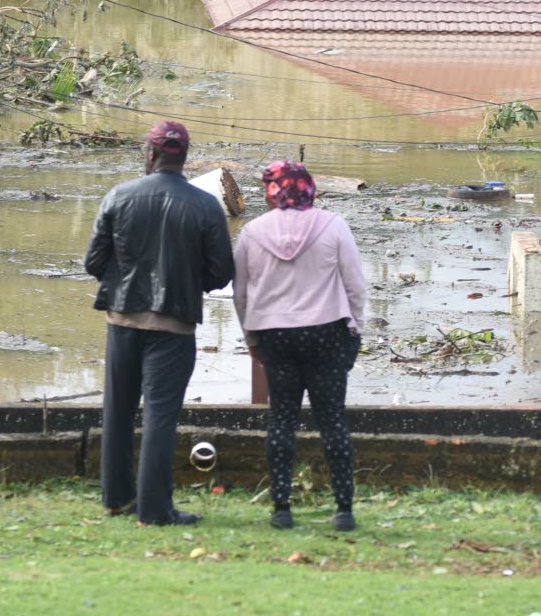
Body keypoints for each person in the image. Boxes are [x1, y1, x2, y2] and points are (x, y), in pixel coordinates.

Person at [84, 120, 233, 527]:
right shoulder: (205, 205)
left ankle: (116, 500)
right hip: (174, 326)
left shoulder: (120, 195)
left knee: (116, 411)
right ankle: (154, 510)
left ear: (149, 154)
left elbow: (93, 261)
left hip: (123, 320)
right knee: (160, 417)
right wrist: (187, 279)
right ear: (183, 157)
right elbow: (221, 273)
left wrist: (124, 278)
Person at [233, 161, 366, 532]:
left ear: (270, 192)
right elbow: (355, 285)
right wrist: (355, 328)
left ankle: (281, 508)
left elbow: (240, 294)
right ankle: (343, 509)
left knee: (282, 419)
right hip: (327, 332)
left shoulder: (251, 233)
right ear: (310, 189)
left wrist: (252, 338)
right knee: (333, 420)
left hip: (276, 336)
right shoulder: (333, 225)